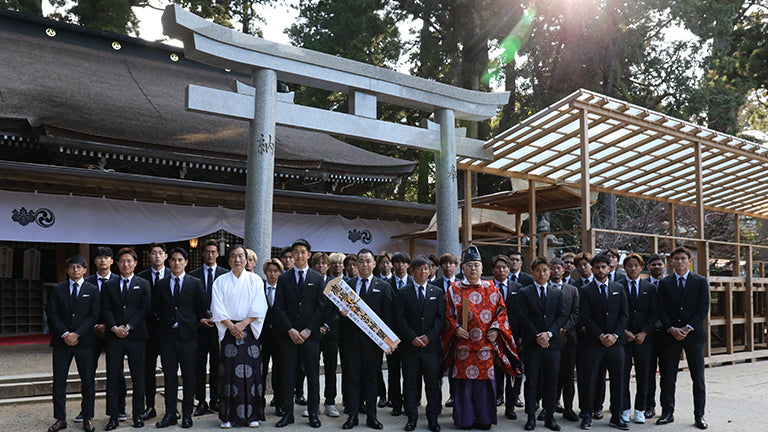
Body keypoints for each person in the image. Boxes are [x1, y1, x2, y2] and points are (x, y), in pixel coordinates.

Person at [441, 245, 522, 430]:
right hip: (463, 346)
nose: (473, 269)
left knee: (485, 385)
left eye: (477, 265)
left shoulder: (492, 289)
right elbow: (447, 314)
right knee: (464, 384)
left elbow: (502, 313)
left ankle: (484, 418)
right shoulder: (454, 289)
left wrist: (496, 329)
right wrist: (454, 328)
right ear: (463, 268)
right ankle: (465, 419)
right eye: (469, 265)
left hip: (485, 346)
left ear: (482, 268)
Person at [210, 244, 269, 428]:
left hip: (249, 330)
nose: (237, 259)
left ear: (246, 259)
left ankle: (252, 416)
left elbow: (260, 306)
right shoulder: (220, 281)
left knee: (253, 374)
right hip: (229, 331)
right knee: (228, 374)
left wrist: (243, 324)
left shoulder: (255, 280)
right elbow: (217, 307)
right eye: (233, 256)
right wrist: (230, 326)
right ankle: (227, 416)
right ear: (228, 260)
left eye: (241, 256)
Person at [339, 248, 394, 430]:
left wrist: (388, 342)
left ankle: (372, 416)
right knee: (352, 379)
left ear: (374, 264)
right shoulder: (347, 286)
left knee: (371, 380)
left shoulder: (383, 286)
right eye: (360, 261)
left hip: (373, 344)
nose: (364, 265)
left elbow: (388, 318)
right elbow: (334, 314)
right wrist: (342, 314)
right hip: (351, 343)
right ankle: (352, 416)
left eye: (367, 261)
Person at [273, 239, 327, 429]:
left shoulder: (318, 278)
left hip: (310, 337)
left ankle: (313, 414)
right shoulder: (284, 278)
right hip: (289, 336)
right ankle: (288, 414)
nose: (299, 255)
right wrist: (290, 329)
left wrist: (308, 330)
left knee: (312, 376)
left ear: (309, 255)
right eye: (295, 252)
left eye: (303, 252)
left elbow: (321, 308)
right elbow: (278, 307)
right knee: (287, 376)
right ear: (292, 255)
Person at [656, 247, 709, 430]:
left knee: (698, 378)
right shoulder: (665, 283)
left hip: (693, 334)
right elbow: (661, 308)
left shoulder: (700, 281)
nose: (679, 261)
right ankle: (668, 412)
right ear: (671, 262)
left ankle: (699, 415)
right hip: (670, 335)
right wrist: (671, 328)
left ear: (689, 261)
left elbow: (703, 308)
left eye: (683, 258)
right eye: (676, 259)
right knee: (668, 376)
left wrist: (687, 328)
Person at [47, 255, 100, 432]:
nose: (75, 270)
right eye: (72, 267)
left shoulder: (92, 289)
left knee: (88, 381)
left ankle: (87, 418)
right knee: (59, 381)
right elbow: (52, 313)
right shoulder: (58, 289)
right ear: (67, 270)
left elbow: (94, 315)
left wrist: (77, 334)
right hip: (62, 342)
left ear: (85, 270)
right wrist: (65, 334)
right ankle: (60, 419)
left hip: (85, 342)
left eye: (79, 267)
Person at [153, 247, 205, 429]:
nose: (176, 263)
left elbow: (200, 309)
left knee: (189, 378)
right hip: (168, 338)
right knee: (169, 378)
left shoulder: (195, 283)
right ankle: (170, 414)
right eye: (173, 260)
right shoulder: (161, 284)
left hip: (189, 338)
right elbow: (157, 309)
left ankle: (187, 415)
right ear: (169, 262)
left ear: (186, 262)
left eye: (180, 260)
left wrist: (190, 325)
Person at [577, 253, 629, 430]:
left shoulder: (618, 288)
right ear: (592, 269)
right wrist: (600, 335)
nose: (600, 270)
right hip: (594, 343)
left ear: (609, 268)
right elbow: (585, 316)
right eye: (597, 267)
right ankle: (587, 415)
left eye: (603, 267)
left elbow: (624, 315)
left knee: (618, 380)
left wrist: (614, 335)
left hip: (616, 343)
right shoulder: (585, 290)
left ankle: (617, 416)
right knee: (589, 380)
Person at [102, 248, 151, 430]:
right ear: (117, 263)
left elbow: (144, 309)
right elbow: (105, 308)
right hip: (114, 336)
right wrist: (114, 327)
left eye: (129, 261)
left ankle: (137, 415)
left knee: (138, 377)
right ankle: (113, 416)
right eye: (122, 261)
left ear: (135, 263)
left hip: (136, 336)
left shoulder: (143, 283)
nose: (126, 264)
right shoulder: (109, 285)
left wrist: (129, 326)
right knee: (113, 377)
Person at [395, 255, 445, 432]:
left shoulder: (437, 292)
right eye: (421, 269)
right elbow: (399, 319)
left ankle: (433, 419)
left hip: (431, 348)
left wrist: (429, 336)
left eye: (427, 269)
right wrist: (412, 337)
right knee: (410, 384)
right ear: (412, 271)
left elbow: (441, 318)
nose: (424, 272)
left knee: (433, 384)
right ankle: (412, 418)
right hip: (410, 347)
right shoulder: (403, 292)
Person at [518, 257, 566, 431]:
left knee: (551, 382)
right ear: (532, 272)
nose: (542, 273)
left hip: (553, 345)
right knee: (532, 381)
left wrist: (549, 334)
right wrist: (538, 336)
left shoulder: (557, 292)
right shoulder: (525, 292)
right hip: (533, 344)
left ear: (550, 271)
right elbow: (523, 317)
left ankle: (549, 416)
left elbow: (561, 316)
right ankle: (530, 416)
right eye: (538, 270)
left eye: (545, 270)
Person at [80, 246, 126, 424]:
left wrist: (109, 325)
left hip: (113, 332)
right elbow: (83, 309)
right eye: (99, 257)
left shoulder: (119, 280)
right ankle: (86, 412)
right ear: (94, 261)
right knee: (87, 373)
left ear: (112, 261)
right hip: (91, 333)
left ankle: (119, 408)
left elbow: (122, 309)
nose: (102, 260)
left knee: (117, 373)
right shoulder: (87, 281)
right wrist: (93, 325)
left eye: (106, 257)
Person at [189, 239, 229, 416]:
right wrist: (199, 319)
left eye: (213, 252)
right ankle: (201, 401)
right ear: (203, 253)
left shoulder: (225, 275)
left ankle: (215, 399)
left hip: (219, 327)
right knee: (199, 365)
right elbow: (187, 303)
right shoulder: (193, 275)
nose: (211, 255)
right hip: (199, 327)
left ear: (217, 254)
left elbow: (229, 302)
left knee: (217, 364)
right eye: (207, 252)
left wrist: (220, 319)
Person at [617, 253, 657, 425]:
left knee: (644, 374)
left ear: (641, 268)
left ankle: (640, 409)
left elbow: (655, 313)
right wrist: (624, 331)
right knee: (622, 375)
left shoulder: (650, 287)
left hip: (644, 338)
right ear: (624, 268)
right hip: (624, 337)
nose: (632, 268)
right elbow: (615, 312)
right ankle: (624, 409)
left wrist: (645, 332)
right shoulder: (617, 286)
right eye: (629, 265)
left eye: (636, 265)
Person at [136, 242, 170, 421]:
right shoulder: (141, 278)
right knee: (147, 370)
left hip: (169, 332)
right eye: (154, 253)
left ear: (166, 256)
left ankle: (171, 408)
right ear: (148, 256)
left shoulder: (174, 275)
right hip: (147, 332)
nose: (157, 256)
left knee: (170, 370)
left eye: (160, 253)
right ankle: (149, 406)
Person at [490, 254, 523, 419]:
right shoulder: (488, 288)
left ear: (509, 270)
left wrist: (521, 336)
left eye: (504, 267)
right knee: (495, 371)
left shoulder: (518, 287)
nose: (501, 270)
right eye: (498, 267)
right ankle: (496, 400)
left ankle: (510, 406)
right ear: (493, 270)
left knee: (513, 371)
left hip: (513, 337)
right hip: (494, 338)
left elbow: (522, 314)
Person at [548, 258, 579, 423]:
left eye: (558, 268)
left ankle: (568, 408)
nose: (555, 271)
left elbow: (575, 314)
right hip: (549, 339)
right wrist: (552, 331)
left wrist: (563, 329)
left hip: (568, 338)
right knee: (550, 376)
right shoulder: (544, 288)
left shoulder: (572, 290)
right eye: (552, 268)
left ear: (563, 270)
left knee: (567, 376)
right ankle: (548, 407)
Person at [312, 253, 342, 418]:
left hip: (331, 333)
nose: (321, 266)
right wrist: (316, 327)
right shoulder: (309, 281)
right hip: (313, 333)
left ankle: (330, 402)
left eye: (324, 263)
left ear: (328, 266)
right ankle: (313, 403)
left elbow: (338, 309)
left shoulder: (335, 284)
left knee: (331, 369)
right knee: (312, 369)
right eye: (317, 263)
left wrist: (326, 326)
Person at [387, 251, 413, 416]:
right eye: (397, 262)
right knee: (393, 371)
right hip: (391, 335)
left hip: (410, 335)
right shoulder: (385, 283)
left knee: (410, 372)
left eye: (404, 262)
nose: (400, 265)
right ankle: (395, 403)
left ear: (408, 265)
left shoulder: (414, 282)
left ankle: (411, 402)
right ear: (392, 265)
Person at [260, 258, 285, 416]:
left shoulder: (284, 288)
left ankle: (279, 402)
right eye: (270, 271)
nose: (273, 274)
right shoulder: (259, 287)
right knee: (260, 370)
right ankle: (259, 403)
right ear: (265, 272)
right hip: (261, 336)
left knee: (279, 371)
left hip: (280, 336)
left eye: (276, 271)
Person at [644, 253, 666, 418]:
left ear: (665, 266)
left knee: (666, 374)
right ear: (648, 267)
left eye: (659, 264)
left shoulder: (670, 284)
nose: (657, 267)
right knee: (647, 373)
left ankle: (667, 408)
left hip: (667, 334)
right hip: (648, 335)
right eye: (653, 264)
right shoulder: (643, 285)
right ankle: (648, 406)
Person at [437, 252, 460, 408]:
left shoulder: (462, 284)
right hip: (438, 331)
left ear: (456, 266)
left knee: (455, 365)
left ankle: (453, 395)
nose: (448, 266)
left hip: (457, 331)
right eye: (445, 263)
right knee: (438, 365)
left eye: (451, 263)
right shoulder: (435, 284)